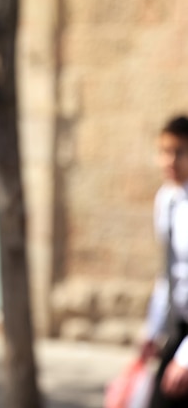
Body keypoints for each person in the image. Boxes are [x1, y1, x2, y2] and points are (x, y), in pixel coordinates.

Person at [142, 115, 188, 407]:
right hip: (177, 326)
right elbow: (167, 272)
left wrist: (186, 359)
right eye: (164, 151)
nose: (168, 160)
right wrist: (152, 330)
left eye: (179, 152)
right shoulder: (166, 199)